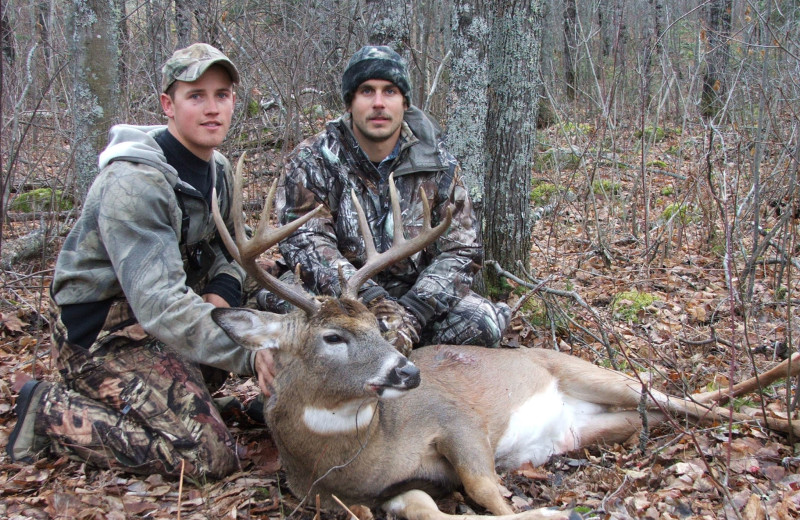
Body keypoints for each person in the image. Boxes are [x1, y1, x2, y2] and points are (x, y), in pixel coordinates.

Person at [6, 43, 271, 478]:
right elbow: (161, 304)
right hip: (101, 335)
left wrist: (222, 293)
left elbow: (232, 254)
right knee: (206, 457)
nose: (212, 109)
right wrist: (250, 352)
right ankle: (47, 409)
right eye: (196, 96)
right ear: (168, 104)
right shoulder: (135, 183)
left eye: (222, 95)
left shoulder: (219, 169)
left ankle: (184, 407)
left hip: (163, 322)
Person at [275, 45, 510, 355]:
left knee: (483, 324)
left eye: (390, 91)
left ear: (404, 102)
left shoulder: (439, 164)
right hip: (338, 298)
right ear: (350, 103)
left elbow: (461, 249)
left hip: (415, 295)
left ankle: (408, 375)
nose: (378, 103)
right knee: (287, 318)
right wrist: (373, 303)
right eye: (366, 91)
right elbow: (304, 241)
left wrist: (412, 314)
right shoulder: (311, 161)